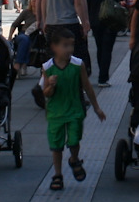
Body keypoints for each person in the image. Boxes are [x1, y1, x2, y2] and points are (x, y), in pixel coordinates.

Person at [42, 28, 106, 190]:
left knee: (74, 140)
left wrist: (97, 108)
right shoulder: (47, 67)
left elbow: (87, 87)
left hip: (75, 110)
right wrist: (51, 85)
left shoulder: (78, 65)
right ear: (54, 47)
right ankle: (57, 174)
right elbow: (46, 93)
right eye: (65, 45)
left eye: (71, 45)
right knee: (56, 145)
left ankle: (74, 159)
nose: (69, 49)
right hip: (56, 112)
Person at [85, 0, 127, 87]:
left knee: (100, 47)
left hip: (95, 18)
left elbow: (87, 1)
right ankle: (103, 78)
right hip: (110, 18)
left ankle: (101, 74)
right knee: (107, 48)